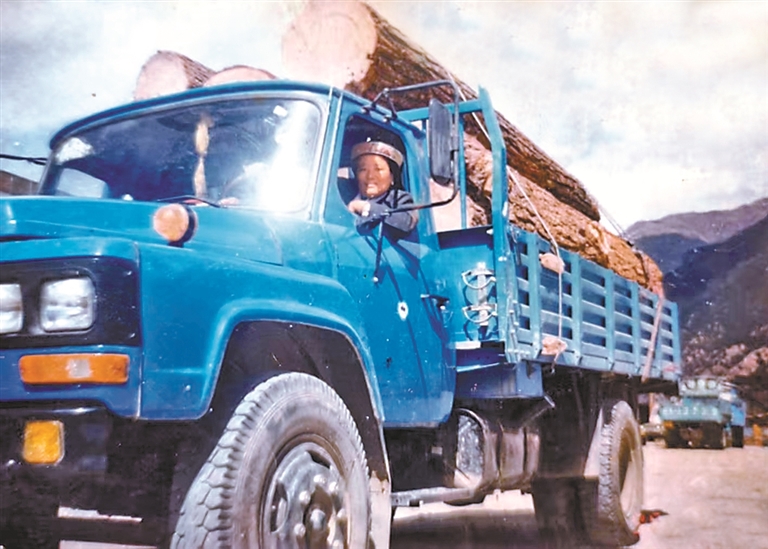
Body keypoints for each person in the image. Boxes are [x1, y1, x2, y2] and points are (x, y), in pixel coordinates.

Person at [346, 140, 418, 237]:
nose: (370, 176)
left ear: (392, 177)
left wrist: (366, 207)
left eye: (378, 169)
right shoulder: (345, 196)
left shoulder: (399, 199)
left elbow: (407, 222)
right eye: (363, 169)